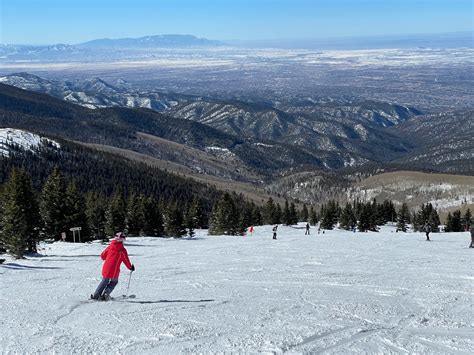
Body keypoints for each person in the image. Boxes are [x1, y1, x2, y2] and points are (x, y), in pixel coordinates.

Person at [91, 232, 135, 301]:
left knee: (104, 281)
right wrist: (130, 267)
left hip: (106, 268)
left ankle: (96, 295)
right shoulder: (122, 250)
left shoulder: (110, 247)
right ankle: (106, 294)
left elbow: (102, 255)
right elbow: (126, 260)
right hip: (114, 270)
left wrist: (107, 257)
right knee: (114, 282)